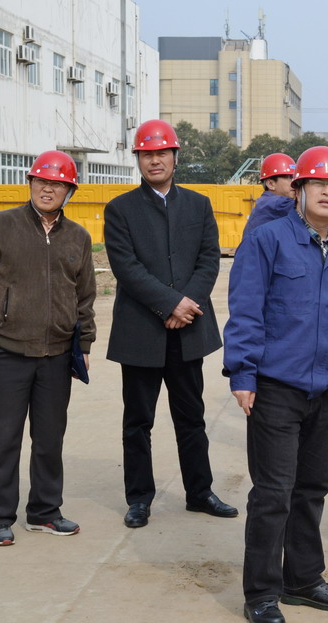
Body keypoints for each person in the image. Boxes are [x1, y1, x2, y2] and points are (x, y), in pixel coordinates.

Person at [224, 146, 328, 623]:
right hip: (275, 388)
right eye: (318, 183)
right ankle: (261, 593)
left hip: (324, 394)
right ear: (299, 191)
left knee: (312, 489)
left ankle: (304, 579)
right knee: (273, 493)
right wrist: (242, 373)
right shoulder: (267, 241)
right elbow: (246, 310)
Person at [104, 119, 237, 529]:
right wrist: (170, 305)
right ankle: (139, 498)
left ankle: (200, 492)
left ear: (175, 157)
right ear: (138, 160)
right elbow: (126, 268)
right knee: (137, 421)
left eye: (162, 153)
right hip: (141, 332)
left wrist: (187, 305)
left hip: (188, 330)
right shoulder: (120, 209)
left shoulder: (198, 205)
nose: (154, 160)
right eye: (147, 154)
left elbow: (209, 259)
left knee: (191, 417)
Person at [0, 150, 96, 546]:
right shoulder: (0, 224)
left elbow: (85, 296)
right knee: (1, 440)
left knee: (50, 439)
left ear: (70, 191)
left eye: (57, 184)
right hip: (4, 351)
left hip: (57, 354)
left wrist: (84, 342)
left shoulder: (78, 237)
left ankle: (44, 513)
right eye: (41, 181)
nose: (47, 189)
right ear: (31, 183)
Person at [241, 153, 296, 240]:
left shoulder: (266, 202)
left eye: (295, 178)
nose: (294, 183)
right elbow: (308, 209)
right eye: (289, 177)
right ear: (270, 184)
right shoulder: (275, 203)